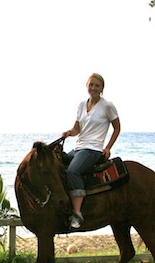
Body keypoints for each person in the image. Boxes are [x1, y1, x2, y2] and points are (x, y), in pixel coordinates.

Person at [61, 73, 120, 229]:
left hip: (93, 149)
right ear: (87, 86)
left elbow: (117, 128)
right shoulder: (81, 105)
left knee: (72, 171)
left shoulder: (107, 106)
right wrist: (68, 133)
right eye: (91, 84)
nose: (93, 88)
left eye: (97, 85)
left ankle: (78, 213)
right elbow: (77, 129)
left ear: (102, 88)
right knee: (58, 162)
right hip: (79, 147)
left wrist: (107, 147)